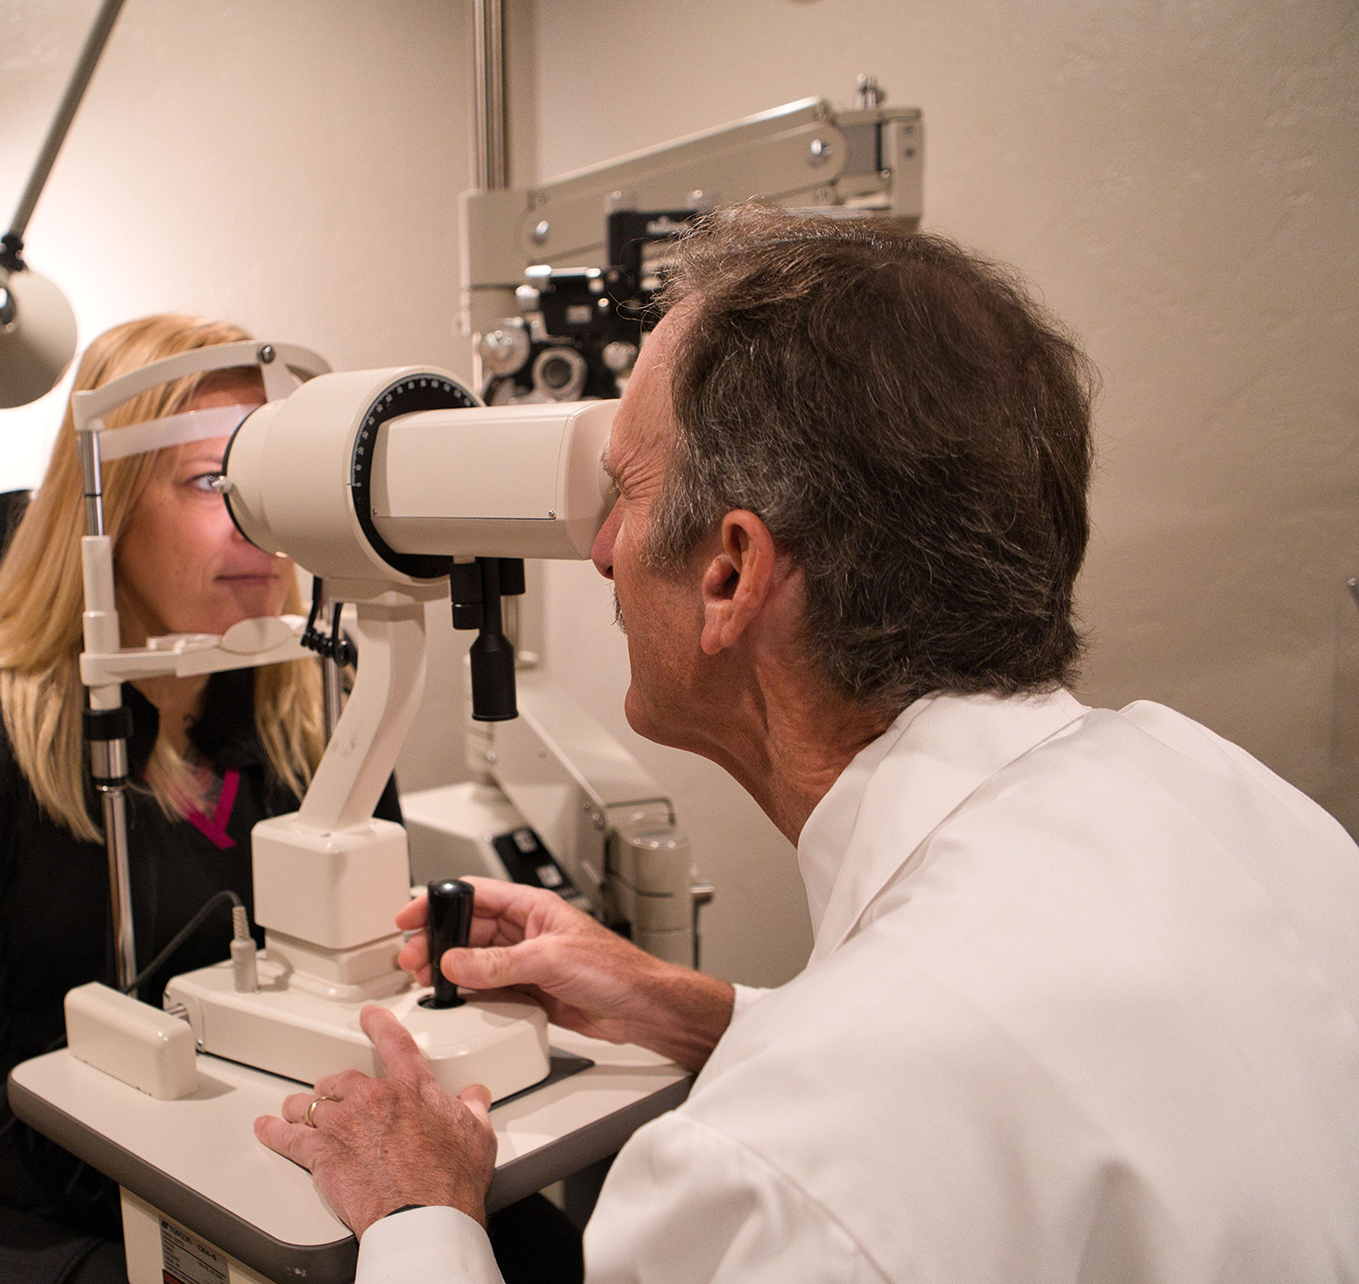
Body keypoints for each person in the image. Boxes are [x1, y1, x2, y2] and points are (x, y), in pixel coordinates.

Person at [255, 206, 1359, 1282]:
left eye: (625, 493)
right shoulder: (1217, 787)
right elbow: (1044, 1070)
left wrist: (418, 1217)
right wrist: (700, 1012)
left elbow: (879, 1108)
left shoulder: (769, 1176)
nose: (600, 551)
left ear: (730, 574)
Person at [0, 314, 344, 1284]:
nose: (259, 526)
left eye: (271, 483)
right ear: (103, 511)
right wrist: (208, 1189)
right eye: (212, 482)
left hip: (254, 1170)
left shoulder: (307, 708)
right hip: (6, 1210)